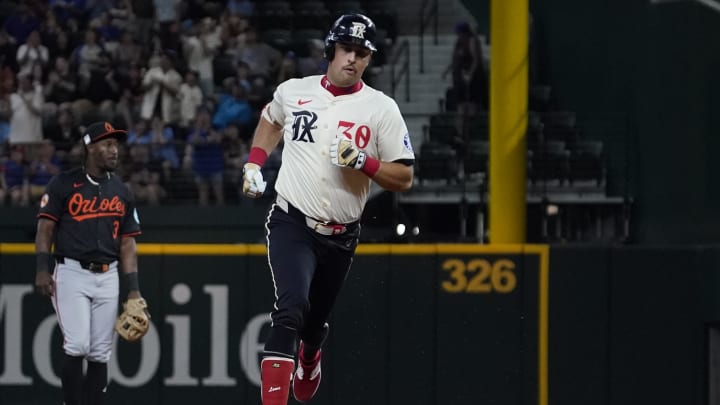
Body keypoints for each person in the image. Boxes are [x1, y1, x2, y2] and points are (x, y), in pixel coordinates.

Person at [241, 13, 415, 405]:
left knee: (313, 323)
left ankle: (310, 353)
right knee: (291, 308)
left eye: (361, 53)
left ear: (370, 59)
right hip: (292, 220)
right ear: (330, 50)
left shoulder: (380, 108)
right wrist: (254, 161)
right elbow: (271, 119)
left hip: (341, 234)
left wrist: (364, 162)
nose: (352, 59)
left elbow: (404, 177)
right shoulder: (294, 90)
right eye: (346, 50)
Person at [34, 121, 146, 405]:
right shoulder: (63, 184)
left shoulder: (122, 191)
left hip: (109, 276)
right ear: (90, 147)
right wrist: (42, 269)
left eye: (115, 144)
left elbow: (127, 243)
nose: (114, 150)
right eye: (107, 144)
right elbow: (45, 230)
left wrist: (133, 289)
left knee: (100, 352)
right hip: (71, 272)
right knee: (78, 345)